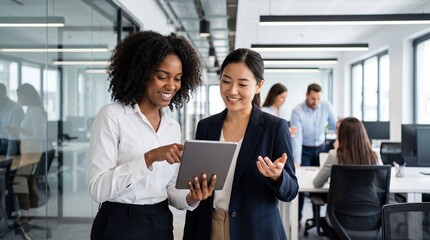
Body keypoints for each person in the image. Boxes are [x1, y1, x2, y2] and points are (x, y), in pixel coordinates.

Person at [88, 31, 216, 240]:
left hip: (160, 221)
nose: (171, 86)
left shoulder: (172, 126)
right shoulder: (112, 115)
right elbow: (97, 189)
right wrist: (149, 157)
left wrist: (192, 197)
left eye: (177, 78)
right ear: (142, 73)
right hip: (120, 223)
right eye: (162, 76)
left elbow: (170, 189)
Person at [183, 48, 298, 240]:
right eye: (226, 81)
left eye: (242, 84)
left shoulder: (274, 127)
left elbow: (291, 189)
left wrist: (278, 177)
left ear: (259, 86)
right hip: (209, 225)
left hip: (255, 230)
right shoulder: (206, 126)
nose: (232, 90)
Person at [312, 117, 383, 227]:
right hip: (371, 217)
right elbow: (382, 184)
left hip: (340, 218)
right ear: (363, 134)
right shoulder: (375, 156)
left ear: (341, 135)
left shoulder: (334, 155)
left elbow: (317, 183)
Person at [290, 83, 337, 223]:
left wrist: (341, 141)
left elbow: (336, 126)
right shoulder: (297, 111)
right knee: (301, 185)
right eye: (312, 98)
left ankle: (320, 220)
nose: (315, 102)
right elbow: (297, 137)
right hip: (305, 149)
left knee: (322, 183)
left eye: (318, 98)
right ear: (306, 95)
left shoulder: (326, 105)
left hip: (322, 148)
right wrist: (296, 160)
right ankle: (298, 219)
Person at [0, 83, 24, 156]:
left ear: (4, 94)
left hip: (14, 146)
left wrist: (9, 158)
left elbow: (13, 135)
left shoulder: (15, 109)